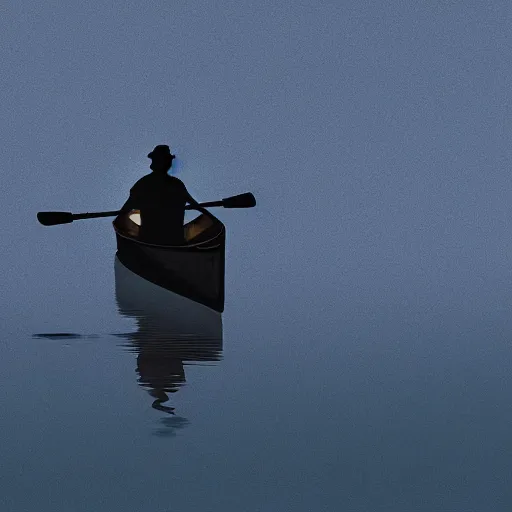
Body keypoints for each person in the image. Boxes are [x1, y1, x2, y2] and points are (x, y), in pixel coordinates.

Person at [121, 145, 200, 244]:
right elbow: (126, 209)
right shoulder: (145, 184)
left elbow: (124, 210)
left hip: (167, 239)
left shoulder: (175, 184)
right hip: (160, 239)